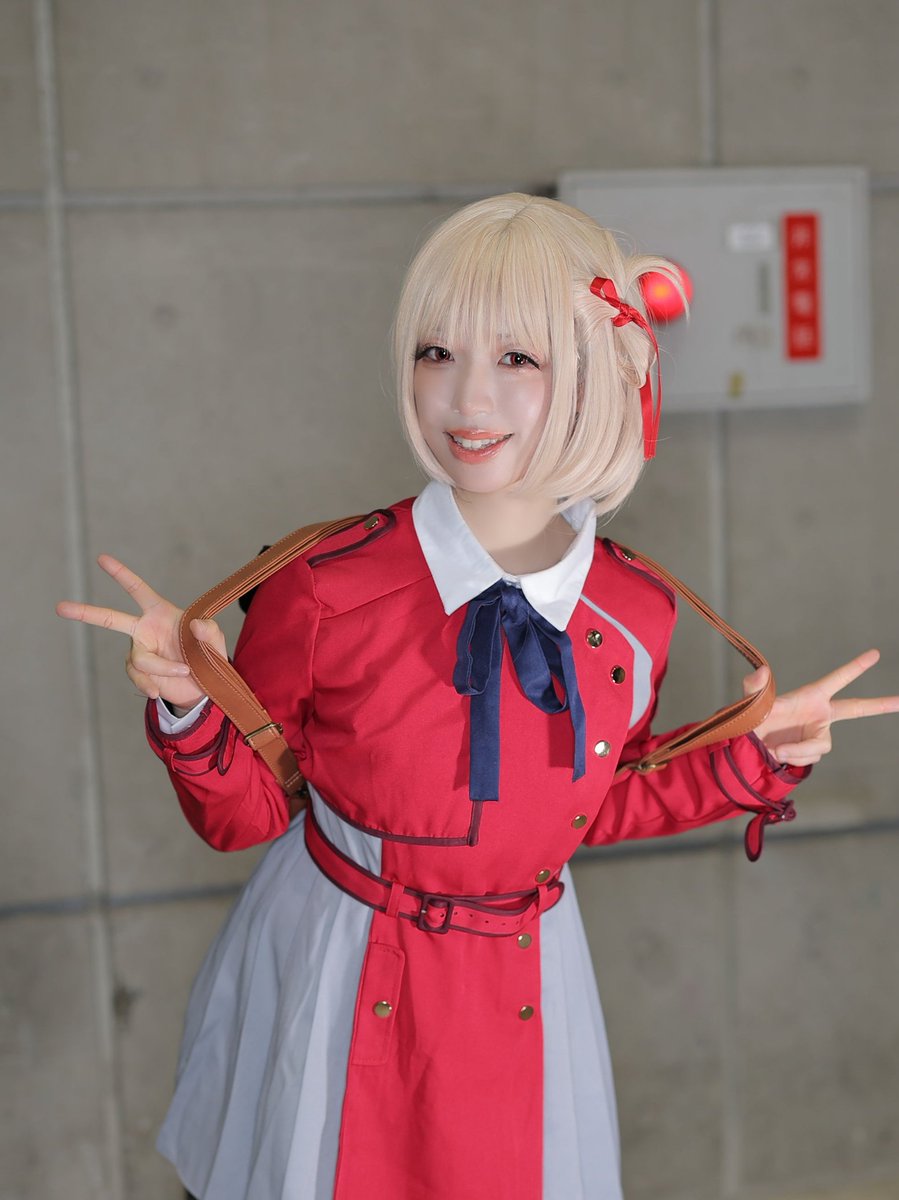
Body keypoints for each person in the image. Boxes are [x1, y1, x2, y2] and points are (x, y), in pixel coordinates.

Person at [57, 194, 899, 1200]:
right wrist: (189, 706)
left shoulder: (637, 611)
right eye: (435, 353)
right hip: (331, 966)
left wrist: (752, 758)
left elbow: (587, 806)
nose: (465, 398)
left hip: (524, 976)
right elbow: (244, 818)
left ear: (598, 372)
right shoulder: (320, 585)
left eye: (515, 359)